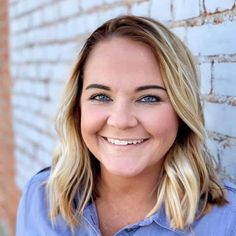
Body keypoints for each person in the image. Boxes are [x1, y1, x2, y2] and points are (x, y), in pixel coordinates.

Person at [16, 15, 236, 236]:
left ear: (181, 110)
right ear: (77, 107)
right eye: (101, 96)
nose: (121, 121)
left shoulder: (227, 221)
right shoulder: (40, 198)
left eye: (148, 98)